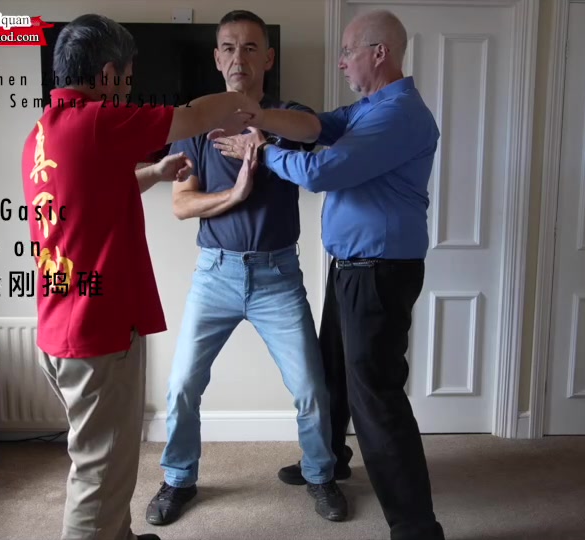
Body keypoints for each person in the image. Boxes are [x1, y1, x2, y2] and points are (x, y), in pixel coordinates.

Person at [19, 13, 260, 540]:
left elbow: (98, 188)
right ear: (107, 75)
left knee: (110, 460)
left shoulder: (45, 132)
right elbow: (192, 116)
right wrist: (242, 96)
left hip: (62, 324)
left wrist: (155, 171)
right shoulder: (98, 120)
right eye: (126, 80)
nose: (127, 91)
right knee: (98, 471)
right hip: (97, 331)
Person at [211, 9, 445, 540]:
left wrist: (260, 148)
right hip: (354, 269)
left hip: (379, 273)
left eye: (347, 52)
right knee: (333, 372)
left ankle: (416, 526)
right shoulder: (370, 107)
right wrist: (259, 115)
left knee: (377, 397)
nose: (341, 62)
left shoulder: (399, 114)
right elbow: (321, 125)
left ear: (379, 53)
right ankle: (332, 459)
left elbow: (321, 171)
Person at [144, 9, 348, 528]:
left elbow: (312, 128)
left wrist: (261, 130)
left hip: (279, 277)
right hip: (215, 275)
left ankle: (320, 473)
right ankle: (178, 478)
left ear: (268, 58)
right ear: (217, 59)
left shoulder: (284, 115)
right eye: (230, 48)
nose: (240, 57)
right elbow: (181, 204)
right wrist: (235, 194)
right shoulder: (194, 122)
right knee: (182, 385)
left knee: (311, 388)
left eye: (251, 47)